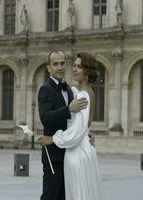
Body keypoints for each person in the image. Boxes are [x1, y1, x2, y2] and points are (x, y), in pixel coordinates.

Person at [39, 53, 103, 200]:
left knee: (76, 194)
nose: (73, 69)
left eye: (79, 66)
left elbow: (78, 128)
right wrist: (85, 130)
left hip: (76, 152)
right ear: (48, 68)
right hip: (60, 155)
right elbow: (45, 117)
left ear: (87, 71)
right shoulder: (73, 91)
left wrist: (53, 139)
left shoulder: (78, 94)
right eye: (74, 65)